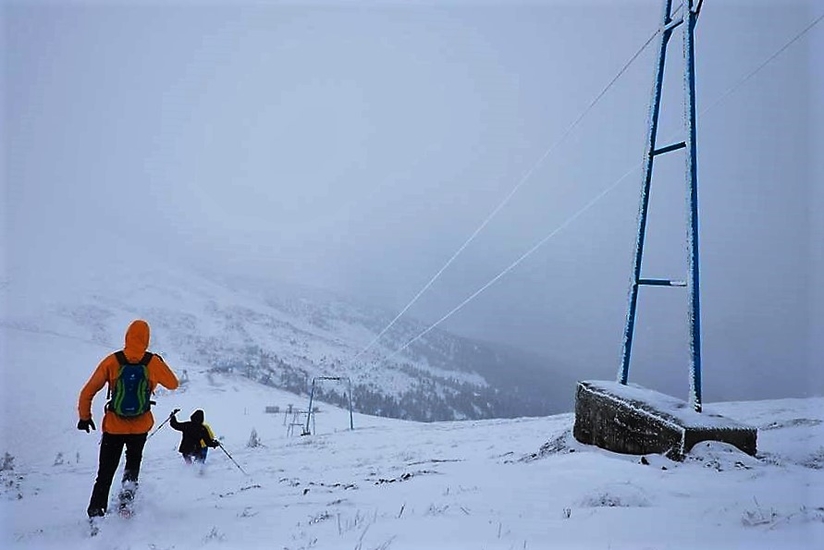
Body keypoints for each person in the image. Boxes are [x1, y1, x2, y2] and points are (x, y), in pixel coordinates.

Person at [77, 319, 179, 518]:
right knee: (132, 463)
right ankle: (125, 504)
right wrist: (159, 363)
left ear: (127, 336)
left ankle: (96, 513)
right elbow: (173, 384)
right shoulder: (152, 362)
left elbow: (88, 391)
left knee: (105, 472)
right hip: (140, 426)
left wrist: (85, 417)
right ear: (147, 339)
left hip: (114, 426)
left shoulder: (112, 361)